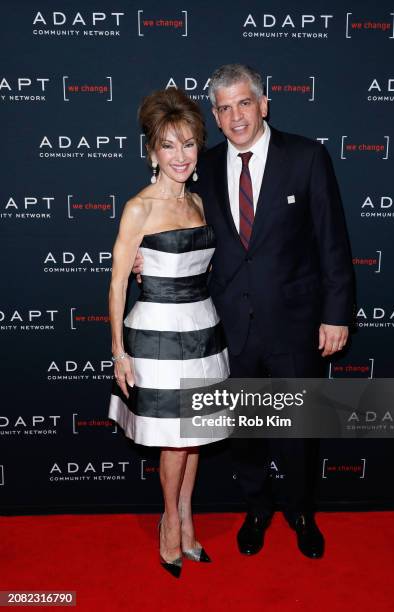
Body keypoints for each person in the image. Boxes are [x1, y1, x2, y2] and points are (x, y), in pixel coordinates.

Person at [133, 64, 354, 559]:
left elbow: (332, 241)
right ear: (214, 113)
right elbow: (174, 220)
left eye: (244, 103)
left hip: (296, 323)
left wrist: (336, 314)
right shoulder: (203, 166)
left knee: (299, 430)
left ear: (264, 104)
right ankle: (257, 509)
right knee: (245, 432)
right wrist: (145, 255)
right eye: (225, 107)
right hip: (228, 326)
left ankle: (300, 512)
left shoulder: (307, 157)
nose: (236, 116)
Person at [107, 87, 229, 578]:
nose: (180, 156)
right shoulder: (139, 208)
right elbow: (117, 283)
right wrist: (118, 351)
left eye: (188, 144)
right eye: (168, 146)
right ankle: (168, 525)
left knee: (193, 437)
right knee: (173, 440)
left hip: (203, 331)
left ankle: (185, 517)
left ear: (199, 147)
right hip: (157, 334)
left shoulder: (200, 202)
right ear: (151, 152)